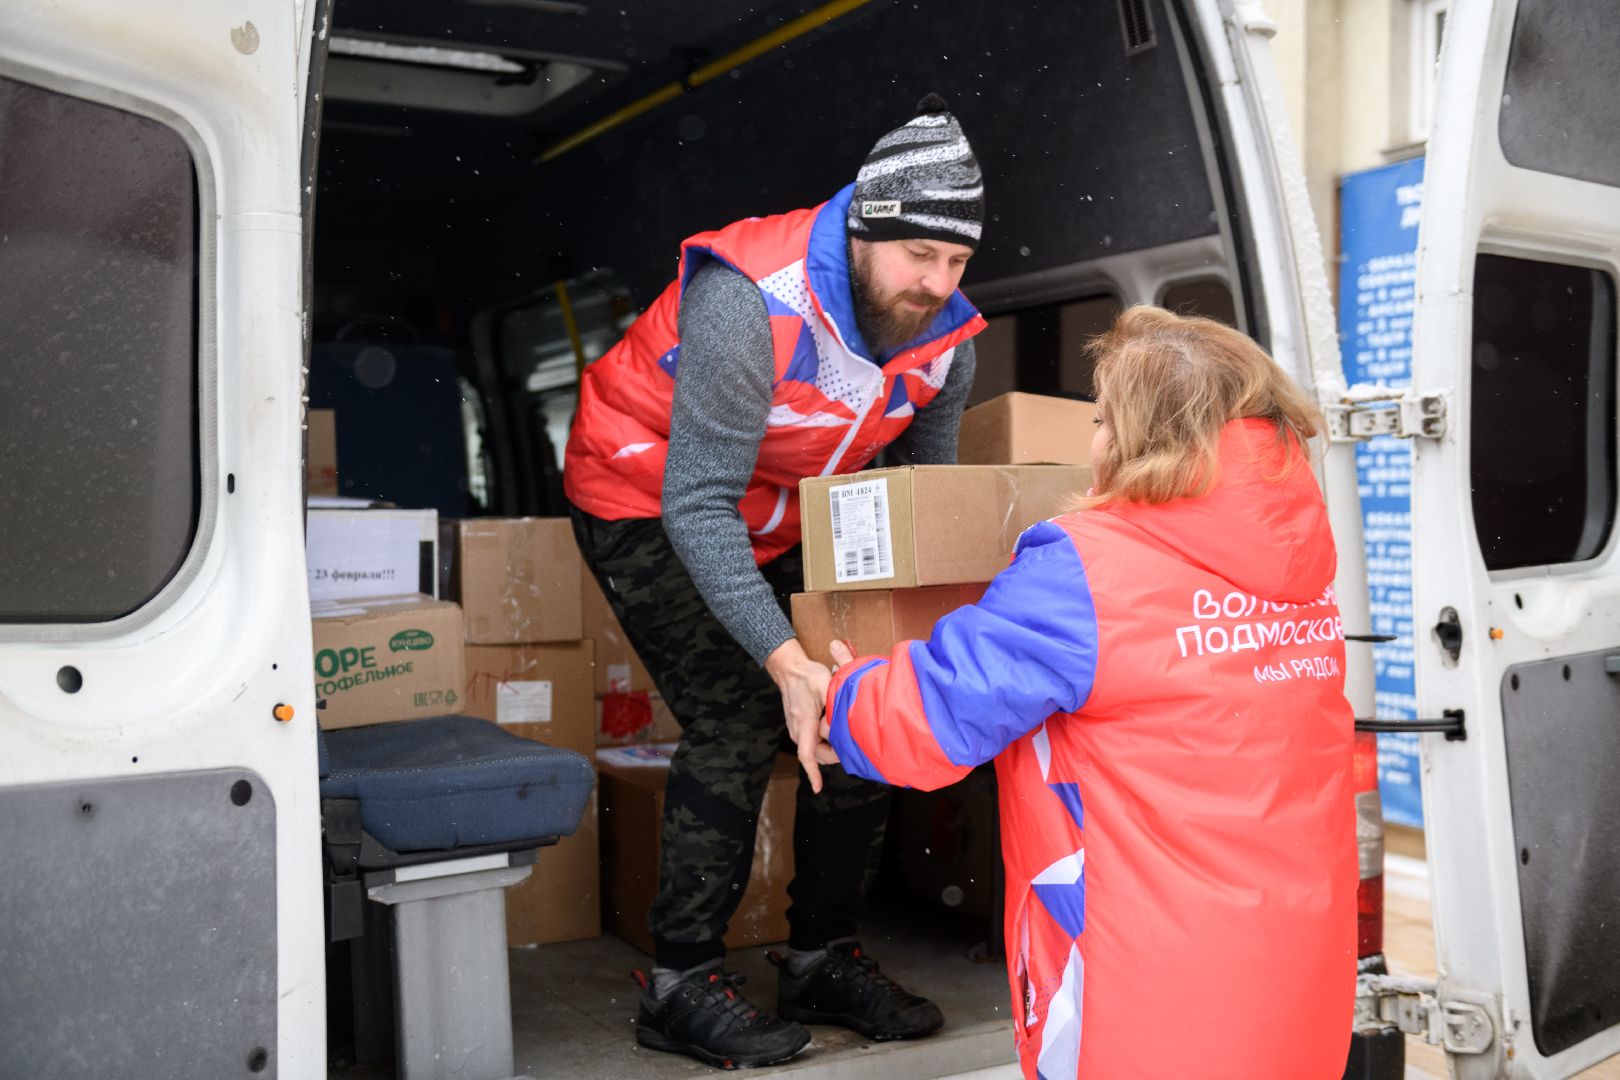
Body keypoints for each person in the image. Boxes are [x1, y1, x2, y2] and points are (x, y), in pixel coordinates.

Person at [818, 306, 1357, 1079]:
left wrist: (840, 687)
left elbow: (922, 729)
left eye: (1103, 421)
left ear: (1143, 436)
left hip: (1144, 988)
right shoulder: (1303, 560)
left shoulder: (1085, 573)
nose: (1094, 441)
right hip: (1297, 965)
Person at [563, 93, 987, 1069]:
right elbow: (696, 503)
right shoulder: (751, 297)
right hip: (644, 491)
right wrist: (782, 657)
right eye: (919, 256)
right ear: (864, 229)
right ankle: (677, 984)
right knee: (744, 713)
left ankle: (821, 955)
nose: (938, 283)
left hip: (789, 507)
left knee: (859, 694)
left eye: (958, 260)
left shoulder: (946, 339)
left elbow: (917, 503)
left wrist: (906, 648)